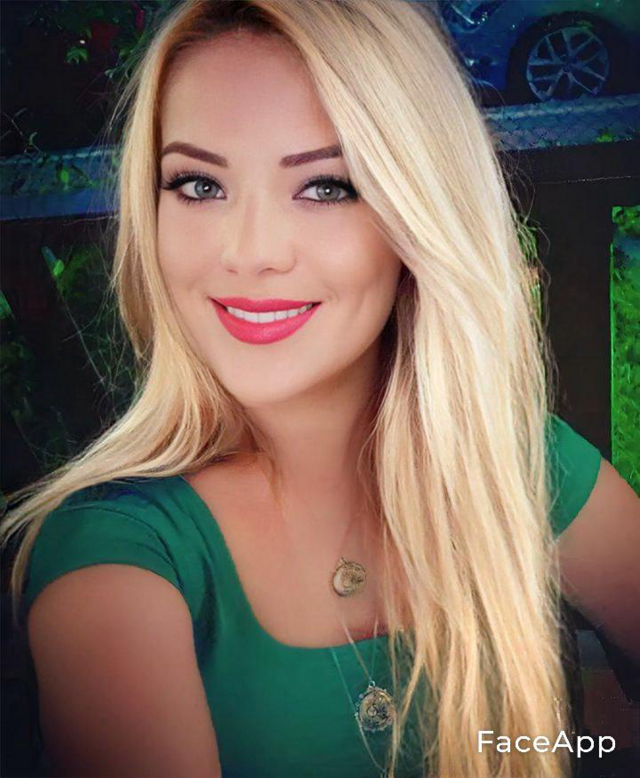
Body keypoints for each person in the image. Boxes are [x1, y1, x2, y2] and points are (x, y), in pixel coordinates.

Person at [1, 1, 639, 776]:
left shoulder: (510, 460)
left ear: (419, 215)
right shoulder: (117, 551)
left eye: (326, 186)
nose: (250, 253)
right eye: (198, 185)